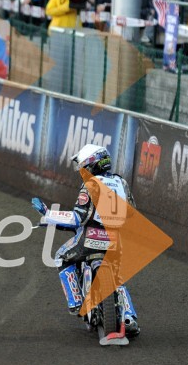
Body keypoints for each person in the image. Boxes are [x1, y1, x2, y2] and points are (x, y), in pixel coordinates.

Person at [33, 144, 139, 336]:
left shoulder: (90, 185)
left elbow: (78, 218)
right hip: (117, 240)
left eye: (84, 167)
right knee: (118, 279)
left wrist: (47, 214)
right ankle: (130, 317)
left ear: (92, 165)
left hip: (90, 239)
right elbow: (131, 213)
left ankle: (75, 302)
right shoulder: (121, 183)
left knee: (61, 257)